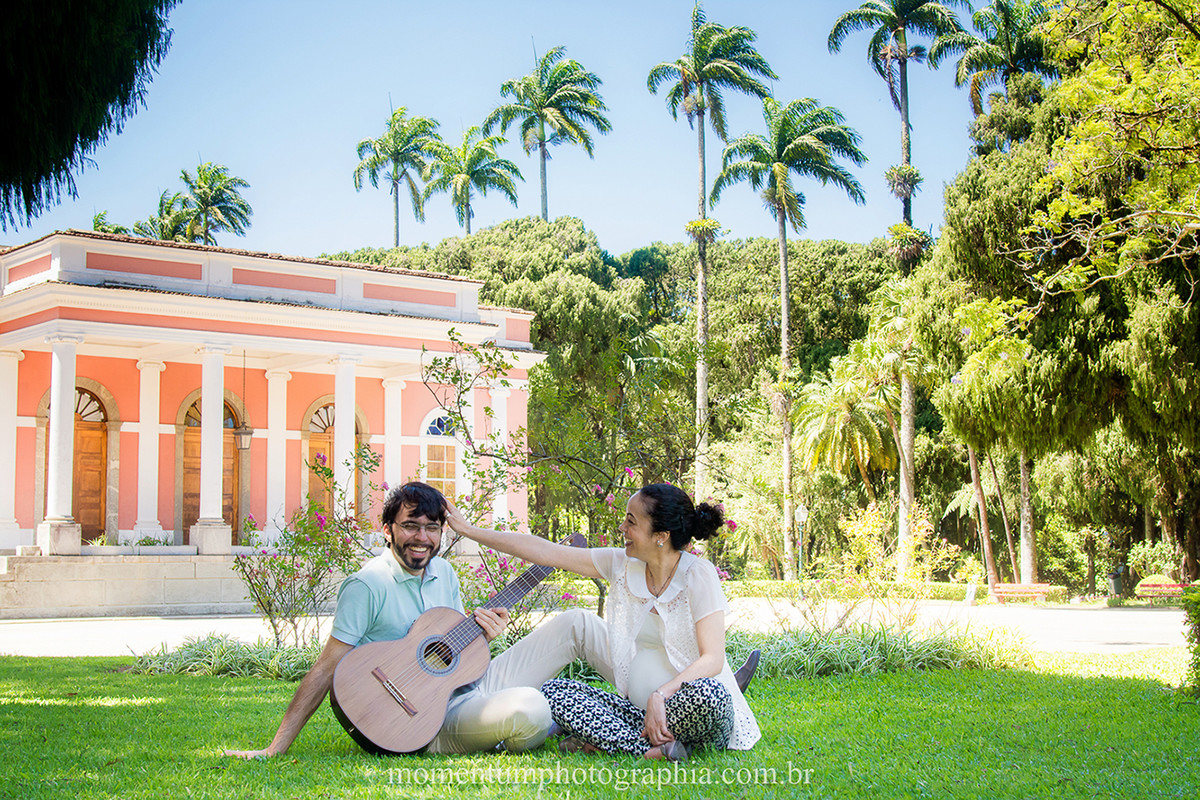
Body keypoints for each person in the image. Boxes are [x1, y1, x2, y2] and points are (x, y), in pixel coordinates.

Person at [224, 481, 611, 758]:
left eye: (431, 527)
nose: (421, 537)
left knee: (578, 621)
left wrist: (484, 635)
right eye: (410, 525)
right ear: (389, 529)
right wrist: (276, 747)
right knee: (531, 708)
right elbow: (327, 668)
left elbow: (453, 657)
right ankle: (539, 726)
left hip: (465, 691)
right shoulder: (367, 584)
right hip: (424, 721)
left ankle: (655, 722)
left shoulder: (446, 574)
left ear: (442, 532)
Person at [446, 482, 760, 761]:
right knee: (554, 691)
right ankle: (651, 748)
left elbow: (713, 659)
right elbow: (545, 552)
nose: (622, 527)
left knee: (711, 695)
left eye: (631, 522)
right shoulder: (624, 564)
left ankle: (618, 740)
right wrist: (470, 531)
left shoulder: (697, 575)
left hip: (687, 707)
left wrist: (659, 696)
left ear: (661, 536)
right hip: (636, 714)